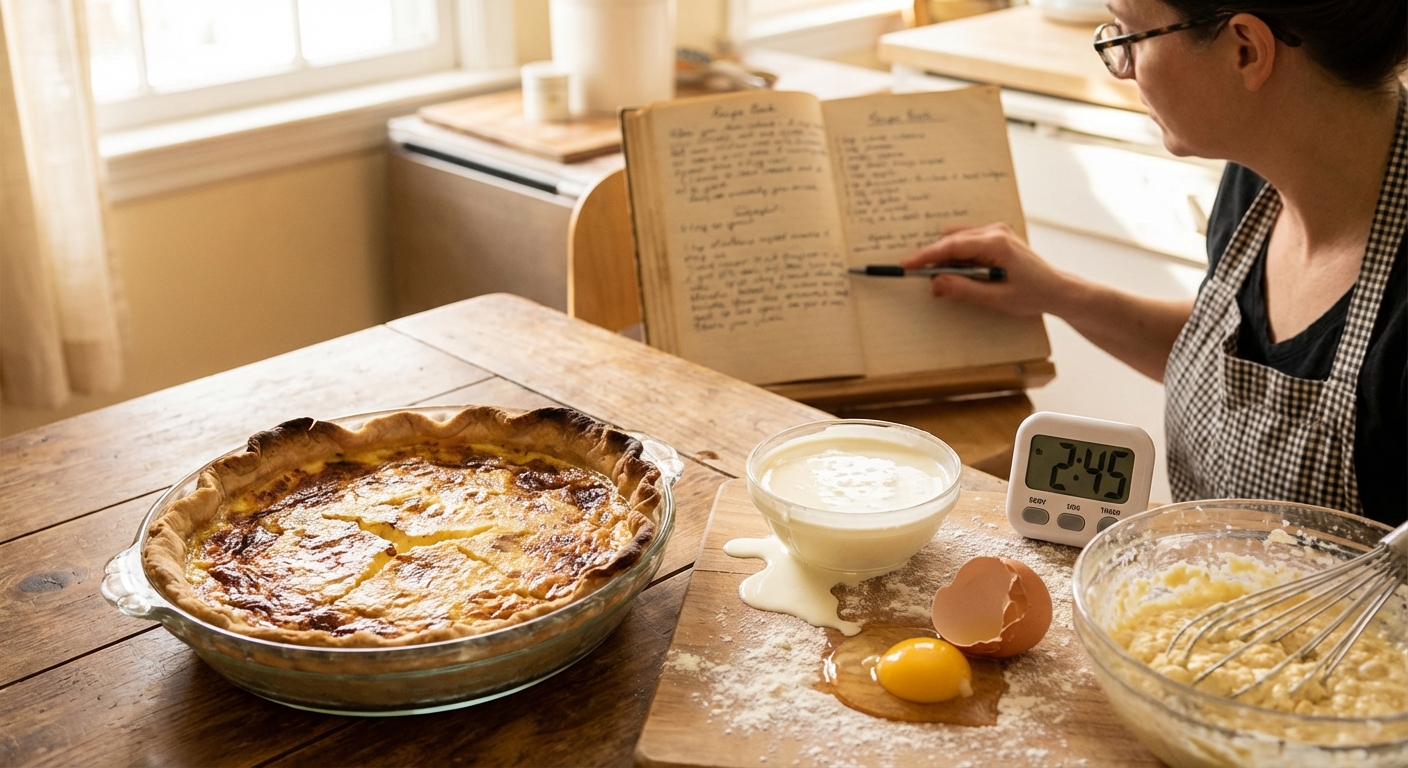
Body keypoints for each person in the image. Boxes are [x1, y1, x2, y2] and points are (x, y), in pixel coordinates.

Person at [901, 0, 1407, 527]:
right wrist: (1056, 293)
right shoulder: (1259, 173)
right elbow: (1230, 355)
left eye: (1129, 35)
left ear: (1245, 51)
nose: (1121, 67)